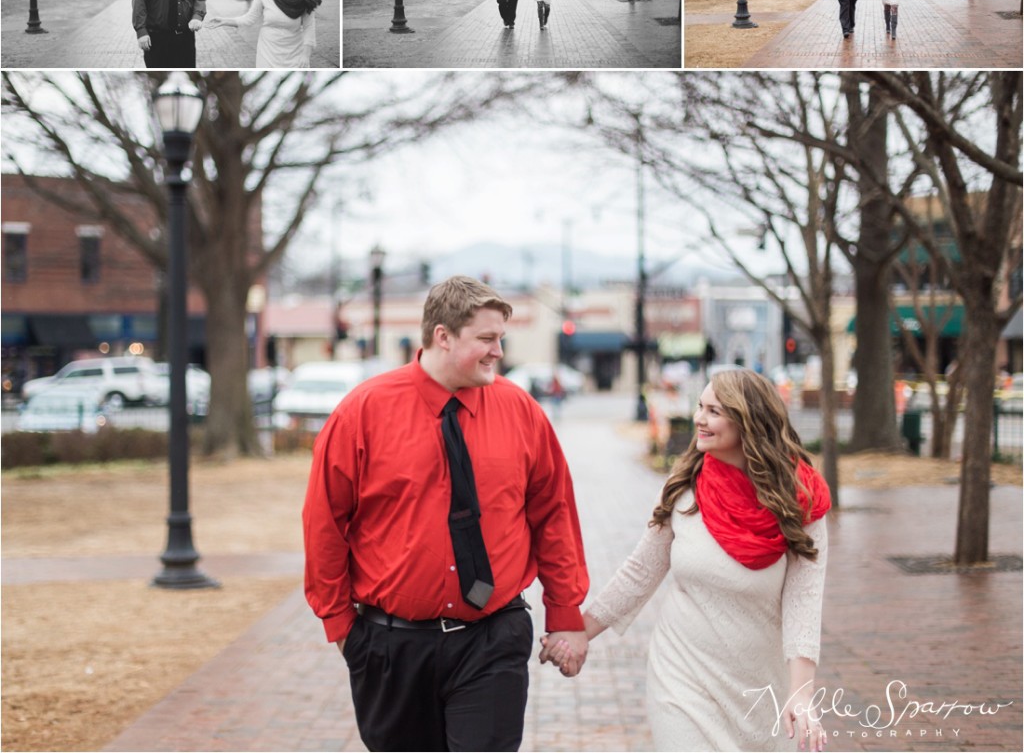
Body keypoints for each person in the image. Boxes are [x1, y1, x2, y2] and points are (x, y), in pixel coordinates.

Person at [303, 275, 589, 752]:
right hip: (391, 646)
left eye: (501, 338)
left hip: (492, 639)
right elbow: (324, 525)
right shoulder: (363, 412)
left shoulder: (521, 411)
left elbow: (554, 514)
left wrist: (565, 614)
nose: (498, 350)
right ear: (443, 335)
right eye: (485, 338)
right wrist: (343, 630)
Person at [543, 369, 831, 752]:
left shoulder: (801, 502)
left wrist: (800, 694)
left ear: (749, 421)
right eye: (700, 406)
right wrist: (579, 631)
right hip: (682, 675)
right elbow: (640, 572)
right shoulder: (686, 488)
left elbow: (804, 604)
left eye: (713, 410)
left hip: (760, 685)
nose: (699, 418)